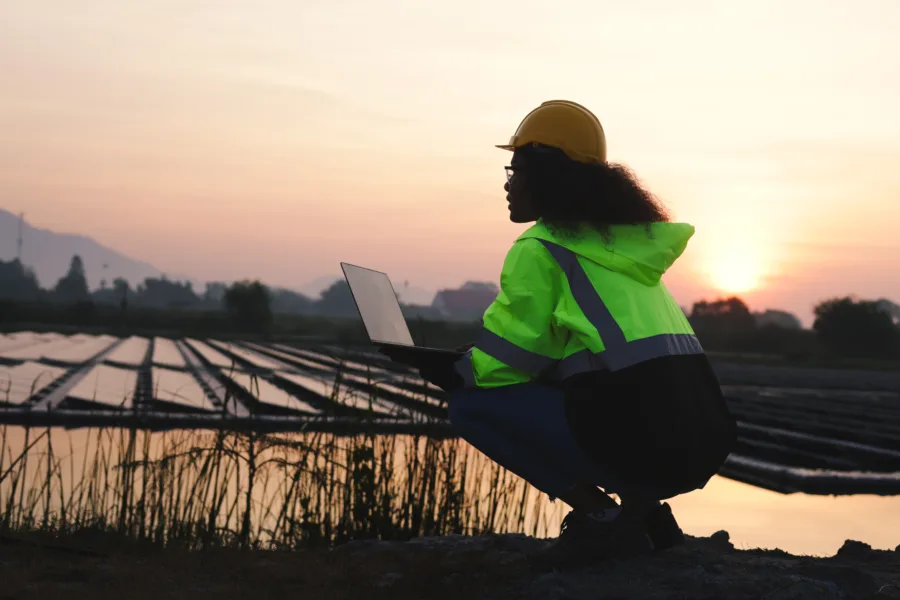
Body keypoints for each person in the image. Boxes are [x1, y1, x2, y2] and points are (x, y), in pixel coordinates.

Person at [417, 100, 737, 567]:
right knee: (574, 389)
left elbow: (508, 358)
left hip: (645, 445)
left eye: (515, 169)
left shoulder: (541, 247)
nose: (508, 183)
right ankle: (646, 516)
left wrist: (455, 370)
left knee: (470, 407)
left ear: (548, 177)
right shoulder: (621, 251)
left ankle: (604, 519)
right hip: (696, 442)